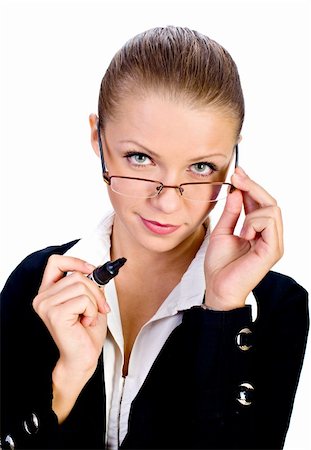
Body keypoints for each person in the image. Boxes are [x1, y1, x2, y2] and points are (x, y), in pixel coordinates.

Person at [0, 26, 309, 450]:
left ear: (233, 161)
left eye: (201, 167)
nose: (167, 203)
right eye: (140, 158)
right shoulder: (36, 285)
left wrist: (222, 313)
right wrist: (66, 385)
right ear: (98, 139)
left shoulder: (273, 309)